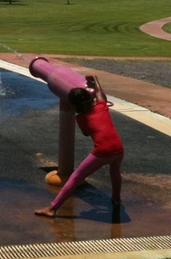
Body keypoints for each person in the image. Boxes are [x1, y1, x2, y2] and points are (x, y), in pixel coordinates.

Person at [35, 74, 124, 218]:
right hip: (119, 148)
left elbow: (85, 133)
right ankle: (116, 199)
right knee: (115, 172)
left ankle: (52, 208)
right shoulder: (102, 105)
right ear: (90, 98)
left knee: (75, 177)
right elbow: (101, 94)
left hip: (102, 151)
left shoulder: (81, 117)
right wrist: (95, 81)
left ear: (75, 106)